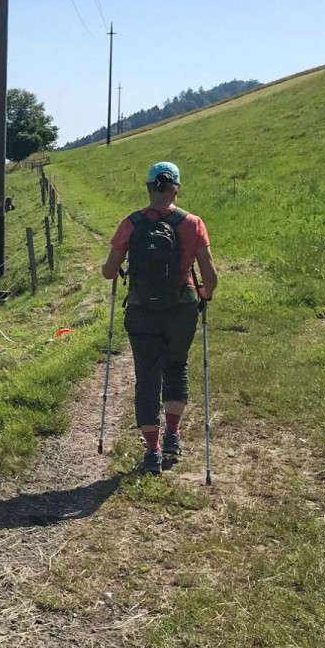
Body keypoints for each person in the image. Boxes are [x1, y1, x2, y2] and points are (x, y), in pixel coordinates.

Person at [101, 161, 218, 476]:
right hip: (181, 310)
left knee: (147, 376)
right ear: (176, 188)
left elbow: (108, 271)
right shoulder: (193, 223)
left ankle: (151, 452)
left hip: (141, 312)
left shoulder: (131, 223)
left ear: (150, 187)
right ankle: (172, 435)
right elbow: (210, 277)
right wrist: (203, 295)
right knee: (176, 367)